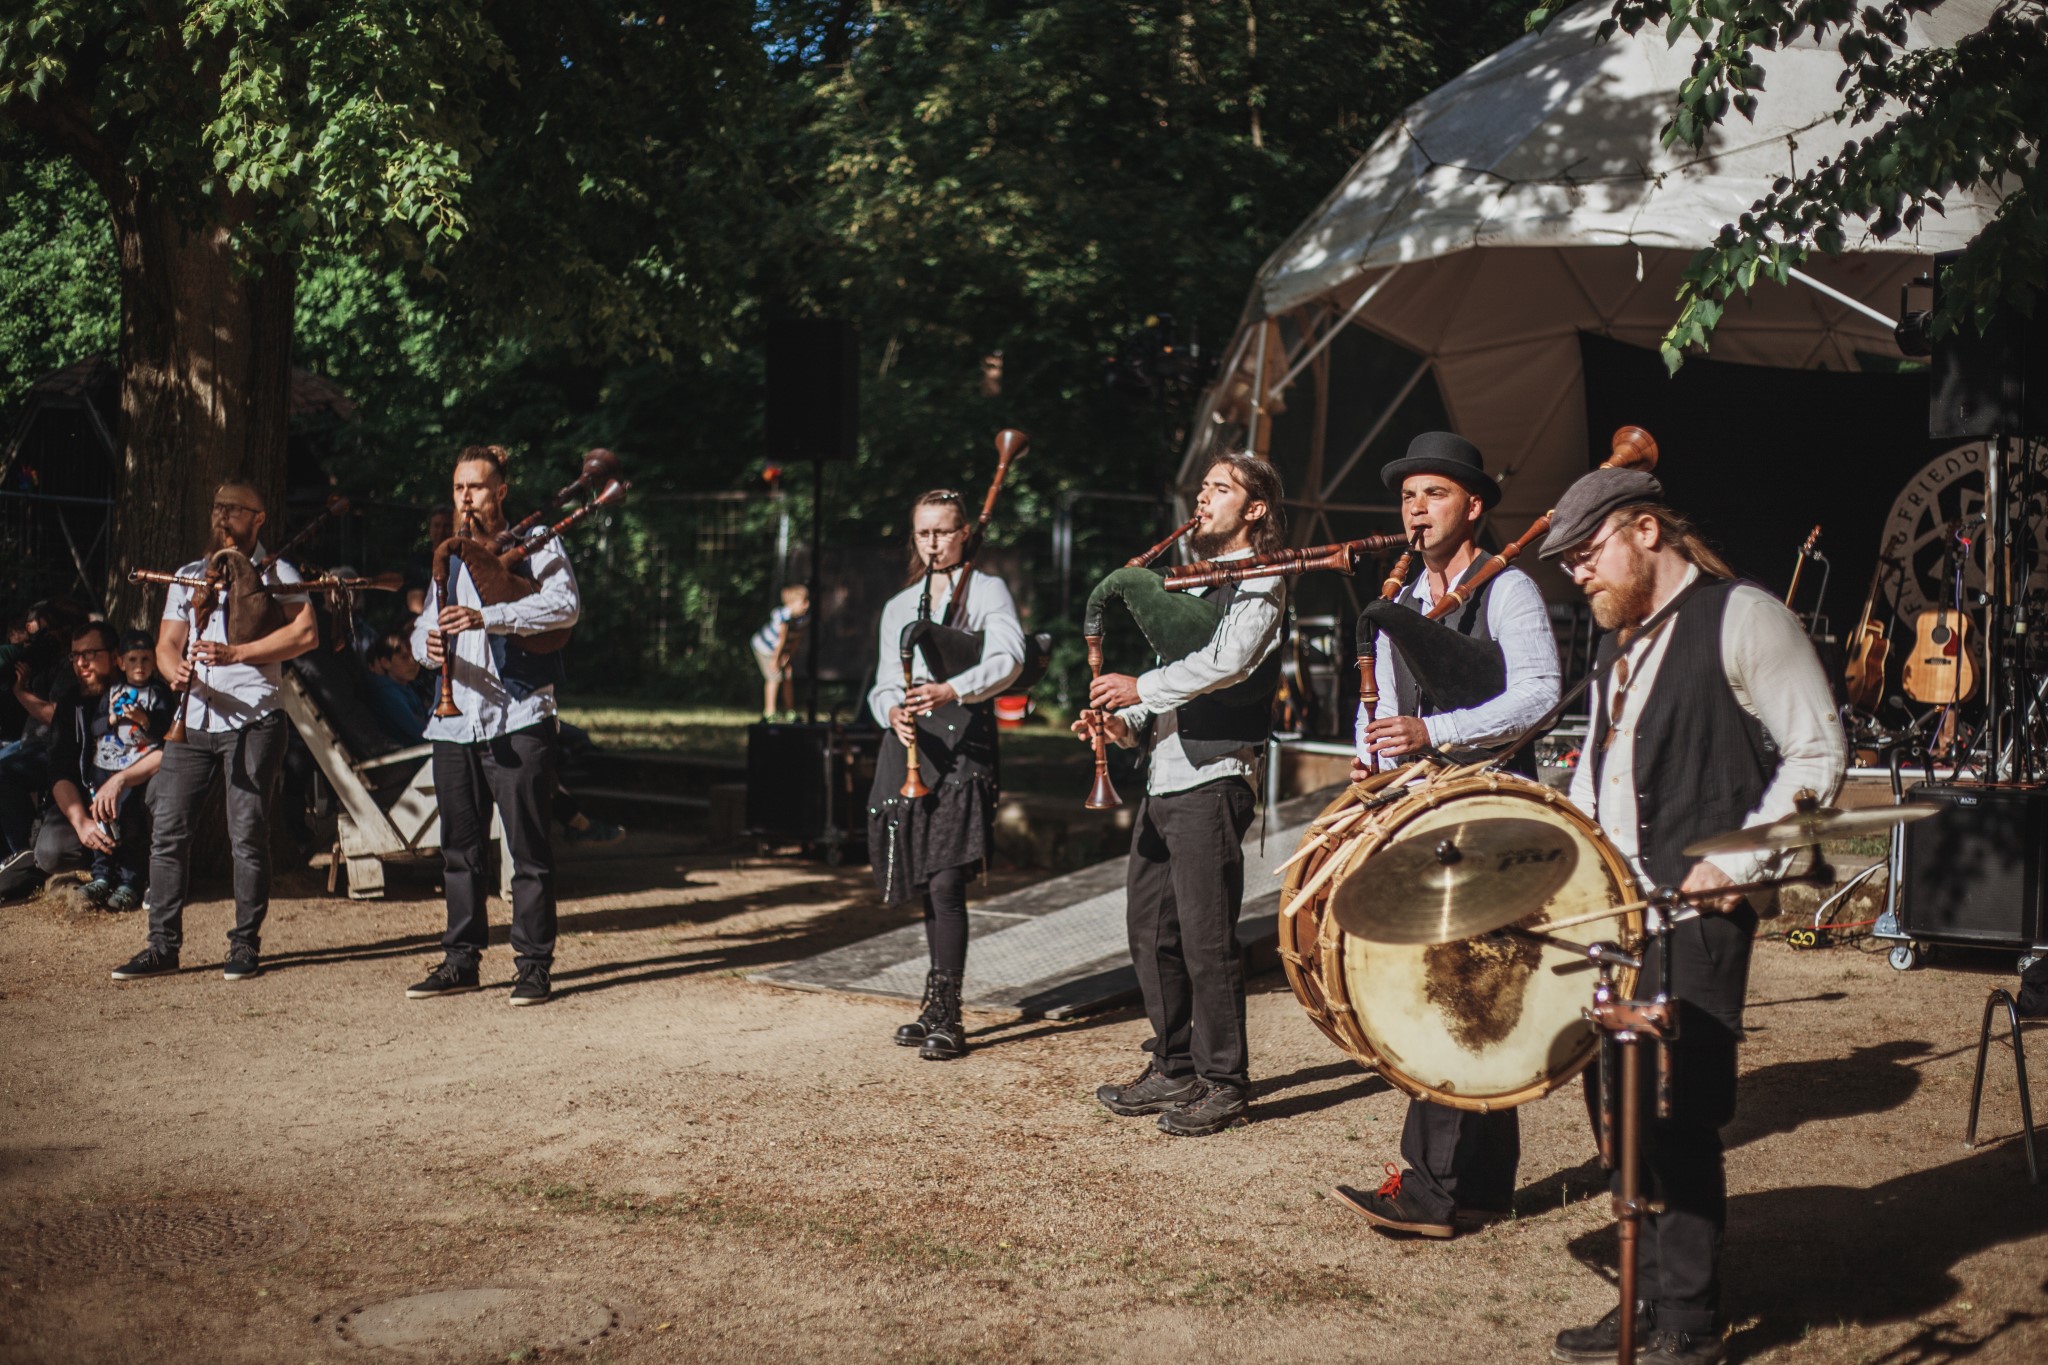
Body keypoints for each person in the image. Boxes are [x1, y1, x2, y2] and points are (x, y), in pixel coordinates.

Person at [1539, 467, 1844, 1365]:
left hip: (1699, 909)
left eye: (1587, 555)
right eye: (1568, 564)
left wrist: (1741, 856)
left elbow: (1819, 754)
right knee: (1617, 1104)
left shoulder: (1744, 616)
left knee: (1678, 1105)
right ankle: (1642, 1294)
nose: (1579, 576)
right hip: (1618, 909)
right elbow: (1598, 777)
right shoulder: (1617, 641)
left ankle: (1688, 1320)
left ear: (1644, 530)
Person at [1332, 431, 1563, 1238]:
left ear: (1473, 506)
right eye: (1407, 496)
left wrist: (1439, 733)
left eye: (1432, 494)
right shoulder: (1401, 600)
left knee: (1453, 991)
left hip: (1496, 808)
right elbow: (1384, 708)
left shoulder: (1509, 592)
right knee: (1465, 986)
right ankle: (1481, 1187)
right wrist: (1374, 752)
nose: (1415, 509)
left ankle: (1433, 1191)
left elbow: (1542, 692)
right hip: (1427, 807)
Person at [1079, 452, 1286, 1137]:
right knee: (1150, 930)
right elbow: (1171, 680)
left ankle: (1224, 1080)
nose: (1203, 498)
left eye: (1220, 489)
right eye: (1200, 487)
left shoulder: (1264, 575)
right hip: (1166, 774)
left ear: (1254, 509)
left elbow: (1227, 665)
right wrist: (1121, 721)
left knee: (1206, 938)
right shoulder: (1193, 583)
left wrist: (1139, 687)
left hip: (1215, 772)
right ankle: (1172, 1063)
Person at [111, 482, 318, 983]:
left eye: (234, 509)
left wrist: (238, 654)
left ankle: (244, 944)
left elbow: (305, 633)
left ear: (258, 518)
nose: (222, 515)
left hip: (254, 720)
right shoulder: (187, 575)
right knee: (169, 831)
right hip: (193, 723)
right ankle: (162, 946)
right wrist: (170, 669)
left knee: (246, 834)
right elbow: (167, 644)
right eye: (218, 507)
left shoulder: (277, 572)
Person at [405, 445, 580, 1007]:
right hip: (455, 722)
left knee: (527, 850)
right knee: (459, 850)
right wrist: (428, 647)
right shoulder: (448, 556)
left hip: (519, 714)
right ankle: (461, 960)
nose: (465, 497)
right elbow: (422, 630)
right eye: (458, 487)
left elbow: (565, 608)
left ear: (500, 491)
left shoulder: (538, 543)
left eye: (475, 487)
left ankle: (533, 965)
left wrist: (491, 617)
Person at [866, 490, 1025, 1061]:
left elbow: (1010, 657)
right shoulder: (900, 604)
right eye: (923, 533)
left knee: (947, 882)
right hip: (911, 752)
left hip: (964, 750)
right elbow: (884, 679)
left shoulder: (985, 592)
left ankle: (948, 1012)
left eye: (943, 532)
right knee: (925, 886)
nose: (932, 543)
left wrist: (951, 689)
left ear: (964, 533)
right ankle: (933, 1005)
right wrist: (891, 710)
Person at [38, 622, 172, 909]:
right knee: (50, 853)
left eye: (90, 653)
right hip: (92, 800)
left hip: (137, 794)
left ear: (115, 657)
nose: (81, 663)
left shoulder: (151, 693)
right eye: (75, 656)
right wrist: (81, 822)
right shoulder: (71, 703)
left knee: (161, 792)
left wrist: (121, 780)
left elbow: (168, 748)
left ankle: (145, 876)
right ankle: (103, 872)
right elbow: (58, 770)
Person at [752, 583, 810, 719]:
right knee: (774, 676)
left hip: (780, 651)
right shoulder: (783, 617)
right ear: (791, 603)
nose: (807, 605)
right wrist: (775, 660)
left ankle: (789, 711)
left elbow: (796, 640)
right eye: (803, 602)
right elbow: (781, 640)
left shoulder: (802, 619)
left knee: (787, 676)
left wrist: (787, 656)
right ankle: (769, 712)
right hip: (765, 649)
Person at [364, 631, 429, 745]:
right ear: (385, 662)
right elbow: (417, 731)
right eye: (404, 657)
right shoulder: (386, 692)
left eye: (414, 656)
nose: (413, 662)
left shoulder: (406, 686)